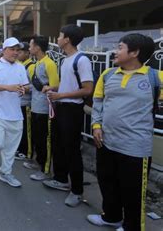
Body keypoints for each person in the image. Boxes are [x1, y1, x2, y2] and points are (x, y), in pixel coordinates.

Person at [87, 33, 161, 231]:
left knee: (133, 191)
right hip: (106, 142)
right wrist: (96, 126)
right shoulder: (108, 74)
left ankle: (132, 226)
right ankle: (111, 217)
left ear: (134, 52)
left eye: (120, 47)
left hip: (135, 147)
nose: (115, 51)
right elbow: (98, 102)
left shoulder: (155, 77)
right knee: (107, 182)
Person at [46, 24, 94, 207]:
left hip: (72, 110)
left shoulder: (81, 60)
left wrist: (61, 95)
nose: (57, 39)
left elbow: (87, 89)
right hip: (61, 107)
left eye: (59, 36)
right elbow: (68, 85)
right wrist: (53, 89)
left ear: (67, 39)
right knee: (59, 145)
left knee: (72, 150)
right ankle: (60, 179)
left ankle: (77, 191)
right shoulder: (67, 59)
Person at [0, 38, 29, 188]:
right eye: (12, 49)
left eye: (18, 50)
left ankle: (5, 172)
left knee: (10, 148)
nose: (15, 52)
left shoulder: (21, 67)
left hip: (15, 113)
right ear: (4, 50)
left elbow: (26, 86)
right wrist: (7, 87)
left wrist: (23, 89)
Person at [24, 36, 59, 182]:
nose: (29, 48)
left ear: (38, 47)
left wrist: (48, 87)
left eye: (31, 46)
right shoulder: (38, 63)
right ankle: (39, 163)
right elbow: (35, 86)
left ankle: (45, 170)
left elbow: (56, 85)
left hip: (45, 108)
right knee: (38, 138)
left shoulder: (49, 63)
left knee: (45, 140)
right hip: (36, 106)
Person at [16, 42, 35, 161]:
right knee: (21, 128)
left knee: (26, 129)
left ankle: (27, 152)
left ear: (28, 53)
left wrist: (22, 88)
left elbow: (34, 86)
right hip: (19, 103)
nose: (17, 53)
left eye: (21, 51)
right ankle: (21, 148)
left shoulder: (31, 66)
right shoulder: (20, 65)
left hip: (27, 103)